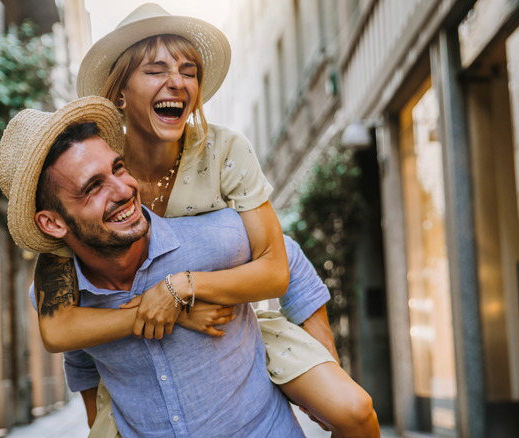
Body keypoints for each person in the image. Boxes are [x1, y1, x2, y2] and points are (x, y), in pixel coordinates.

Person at [34, 4, 379, 438]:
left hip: (233, 322)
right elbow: (65, 327)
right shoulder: (96, 171)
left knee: (352, 410)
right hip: (134, 362)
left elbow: (280, 260)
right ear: (120, 92)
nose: (177, 82)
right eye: (156, 70)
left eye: (189, 70)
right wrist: (174, 312)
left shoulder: (224, 152)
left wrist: (183, 289)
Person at [0, 95, 342, 436]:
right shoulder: (59, 299)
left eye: (118, 168)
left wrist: (329, 374)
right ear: (53, 224)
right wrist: (170, 312)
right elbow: (82, 358)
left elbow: (286, 256)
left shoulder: (210, 236)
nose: (124, 190)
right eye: (93, 187)